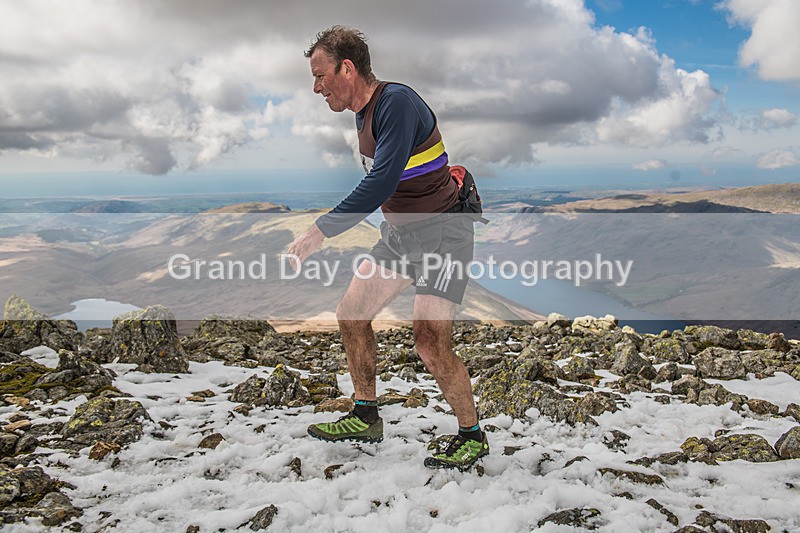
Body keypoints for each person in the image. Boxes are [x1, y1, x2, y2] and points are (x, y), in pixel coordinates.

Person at [287, 26, 488, 471]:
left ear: (347, 68)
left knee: (430, 343)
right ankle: (365, 416)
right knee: (351, 313)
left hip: (444, 236)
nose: (316, 88)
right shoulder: (362, 115)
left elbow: (381, 182)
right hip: (401, 237)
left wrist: (320, 231)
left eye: (320, 76)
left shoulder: (396, 102)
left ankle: (472, 435)